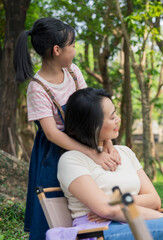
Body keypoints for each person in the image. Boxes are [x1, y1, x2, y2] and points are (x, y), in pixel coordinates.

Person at [53, 87, 163, 240]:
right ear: (92, 125)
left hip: (137, 218)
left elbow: (154, 200)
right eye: (112, 117)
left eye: (116, 113)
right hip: (102, 230)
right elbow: (107, 211)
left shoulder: (124, 152)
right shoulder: (72, 160)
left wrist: (114, 201)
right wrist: (160, 218)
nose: (118, 120)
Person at [13, 17, 120, 239]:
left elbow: (94, 109)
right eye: (72, 45)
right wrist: (93, 153)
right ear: (56, 50)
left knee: (88, 198)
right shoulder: (37, 87)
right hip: (53, 153)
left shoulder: (73, 72)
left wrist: (107, 143)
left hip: (85, 142)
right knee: (56, 202)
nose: (74, 49)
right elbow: (52, 133)